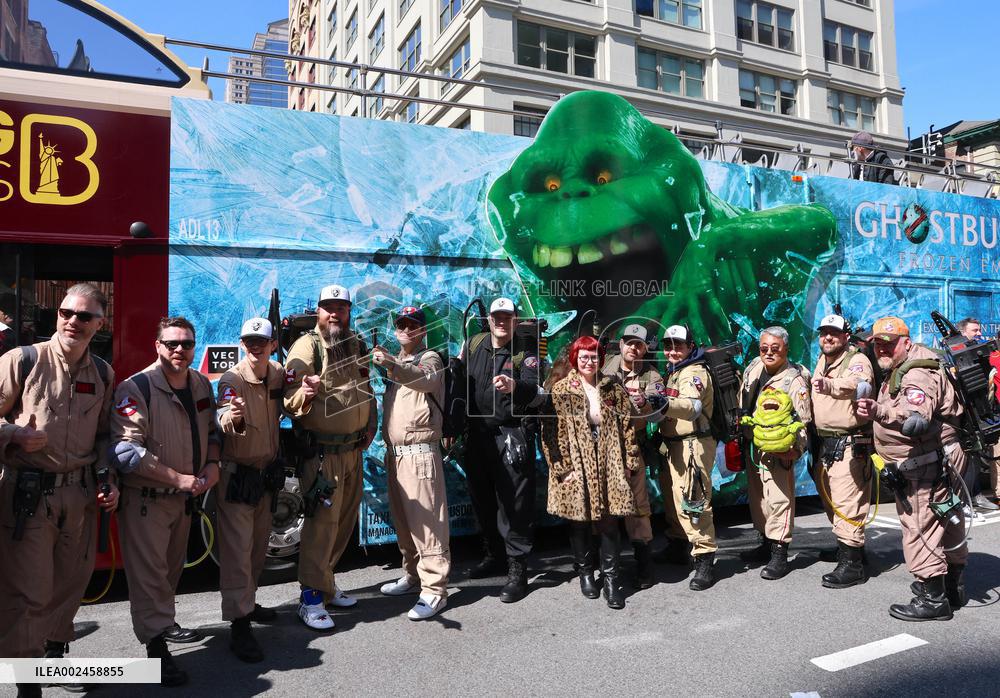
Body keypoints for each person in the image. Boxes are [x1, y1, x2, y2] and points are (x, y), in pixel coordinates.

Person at [0, 284, 119, 698]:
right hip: (29, 497)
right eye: (66, 312)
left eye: (84, 316)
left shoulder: (103, 372)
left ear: (100, 324)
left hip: (81, 497)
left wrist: (107, 478)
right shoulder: (23, 359)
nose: (73, 321)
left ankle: (54, 652)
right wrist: (13, 433)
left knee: (70, 583)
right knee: (28, 591)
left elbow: (105, 435)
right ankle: (27, 682)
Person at [110, 316, 220, 687]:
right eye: (171, 343)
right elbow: (125, 451)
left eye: (186, 344)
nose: (179, 350)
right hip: (147, 501)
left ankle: (164, 625)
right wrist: (178, 478)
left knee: (169, 573)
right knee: (149, 578)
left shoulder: (201, 383)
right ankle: (156, 650)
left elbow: (212, 431)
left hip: (184, 500)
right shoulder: (136, 387)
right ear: (157, 345)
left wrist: (213, 465)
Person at [856, 317, 966, 620]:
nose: (883, 348)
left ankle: (933, 599)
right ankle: (953, 586)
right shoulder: (914, 362)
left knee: (921, 525)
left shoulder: (916, 373)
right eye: (878, 342)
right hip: (942, 457)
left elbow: (915, 417)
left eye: (890, 343)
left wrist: (878, 410)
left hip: (925, 464)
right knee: (949, 518)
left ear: (906, 341)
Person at [283, 284, 376, 630]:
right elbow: (289, 399)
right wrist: (305, 394)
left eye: (341, 307)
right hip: (323, 455)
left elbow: (367, 390)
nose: (335, 313)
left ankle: (326, 585)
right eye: (328, 307)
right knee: (322, 526)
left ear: (349, 312)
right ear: (318, 311)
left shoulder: (357, 343)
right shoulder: (306, 346)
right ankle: (309, 599)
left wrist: (371, 426)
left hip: (353, 450)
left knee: (344, 523)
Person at [542, 335, 641, 609]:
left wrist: (629, 462)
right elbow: (551, 432)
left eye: (594, 355)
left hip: (609, 463)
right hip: (577, 466)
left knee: (610, 523)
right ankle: (586, 573)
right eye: (583, 356)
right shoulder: (561, 390)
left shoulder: (612, 388)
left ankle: (611, 580)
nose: (589, 361)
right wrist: (563, 470)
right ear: (575, 358)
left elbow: (628, 427)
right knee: (580, 521)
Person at [461, 297, 542, 603]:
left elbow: (537, 393)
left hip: (511, 436)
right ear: (491, 318)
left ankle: (517, 571)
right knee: (482, 500)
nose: (501, 321)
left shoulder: (527, 352)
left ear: (515, 319)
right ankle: (494, 556)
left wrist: (515, 386)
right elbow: (460, 385)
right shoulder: (474, 344)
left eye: (507, 316)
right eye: (497, 316)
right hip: (478, 436)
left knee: (514, 506)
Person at [373, 306, 451, 620]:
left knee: (427, 524)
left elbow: (424, 381)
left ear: (422, 330)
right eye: (401, 324)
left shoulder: (429, 358)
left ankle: (435, 590)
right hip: (397, 456)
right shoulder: (400, 360)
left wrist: (391, 363)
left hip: (419, 455)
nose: (406, 329)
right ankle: (413, 575)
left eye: (413, 325)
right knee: (405, 524)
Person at [215, 318, 285, 662]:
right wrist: (235, 416)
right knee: (238, 555)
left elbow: (295, 399)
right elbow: (225, 417)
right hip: (238, 476)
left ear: (273, 344)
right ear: (242, 344)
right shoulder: (233, 379)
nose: (255, 346)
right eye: (249, 341)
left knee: (258, 550)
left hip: (265, 476)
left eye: (262, 341)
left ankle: (249, 603)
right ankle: (239, 626)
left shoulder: (277, 373)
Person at [738, 325, 813, 580]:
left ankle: (780, 552)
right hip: (753, 444)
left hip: (779, 449)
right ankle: (765, 543)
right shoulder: (754, 367)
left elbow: (803, 420)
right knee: (758, 499)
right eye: (764, 348)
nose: (768, 353)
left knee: (779, 499)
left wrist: (797, 449)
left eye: (775, 348)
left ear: (786, 349)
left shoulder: (793, 380)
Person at [599, 323, 667, 589]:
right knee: (603, 507)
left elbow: (657, 414)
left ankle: (644, 565)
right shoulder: (604, 366)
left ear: (645, 348)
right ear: (621, 344)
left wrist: (644, 403)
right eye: (629, 342)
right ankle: (606, 565)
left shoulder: (651, 376)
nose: (633, 348)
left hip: (633, 448)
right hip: (604, 448)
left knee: (638, 507)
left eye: (638, 344)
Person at [810, 314, 875, 588]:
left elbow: (858, 385)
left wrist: (830, 385)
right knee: (832, 500)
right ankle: (848, 548)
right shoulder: (823, 359)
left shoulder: (856, 360)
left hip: (849, 443)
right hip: (825, 443)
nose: (828, 337)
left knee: (848, 503)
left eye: (834, 333)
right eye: (824, 332)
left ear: (846, 336)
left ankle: (853, 565)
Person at [657, 325, 720, 591]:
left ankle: (704, 559)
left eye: (678, 345)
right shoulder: (675, 371)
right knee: (674, 501)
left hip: (693, 445)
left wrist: (660, 403)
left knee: (694, 502)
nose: (672, 350)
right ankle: (677, 545)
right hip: (674, 445)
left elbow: (692, 407)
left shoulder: (694, 372)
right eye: (668, 345)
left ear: (690, 347)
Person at [954, 317, 997, 511]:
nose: (979, 333)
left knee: (975, 458)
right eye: (975, 330)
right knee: (963, 458)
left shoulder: (980, 354)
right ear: (963, 332)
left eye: (979, 330)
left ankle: (976, 495)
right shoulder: (953, 354)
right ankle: (962, 499)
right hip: (960, 417)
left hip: (978, 414)